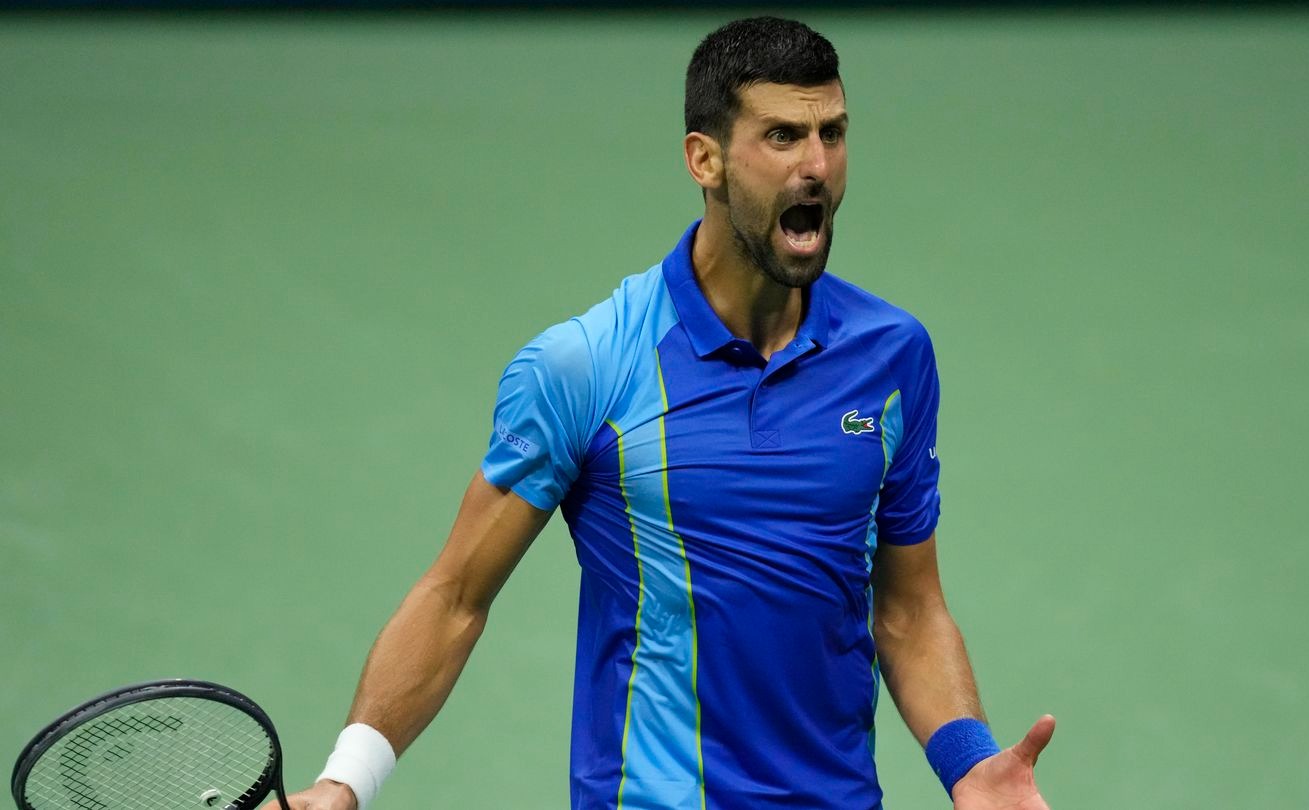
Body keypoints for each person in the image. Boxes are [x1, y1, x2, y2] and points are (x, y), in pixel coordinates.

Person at [264, 17, 1053, 810]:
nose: (817, 166)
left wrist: (968, 762)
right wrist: (346, 781)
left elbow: (911, 612)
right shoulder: (589, 365)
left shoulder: (893, 358)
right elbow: (455, 596)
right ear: (703, 158)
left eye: (832, 133)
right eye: (783, 136)